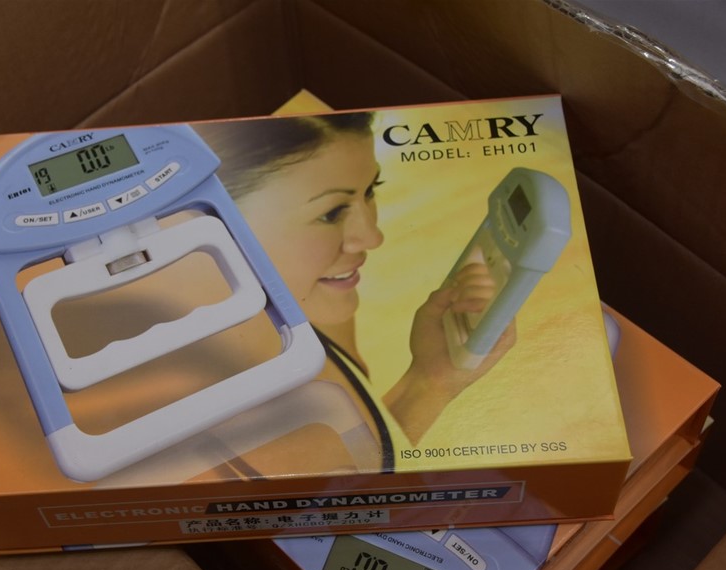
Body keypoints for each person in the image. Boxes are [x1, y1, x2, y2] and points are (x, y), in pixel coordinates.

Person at [192, 113, 514, 471]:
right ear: (217, 222)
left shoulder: (313, 313)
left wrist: (431, 380)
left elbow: (361, 469)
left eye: (371, 191)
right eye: (331, 214)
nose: (373, 237)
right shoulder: (185, 382)